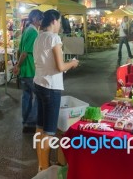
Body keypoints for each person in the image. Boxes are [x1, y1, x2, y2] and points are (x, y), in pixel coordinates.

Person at [33, 9, 79, 171]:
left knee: (40, 127)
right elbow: (60, 66)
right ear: (54, 21)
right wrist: (73, 63)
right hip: (51, 87)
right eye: (59, 22)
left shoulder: (38, 38)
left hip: (38, 84)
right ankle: (45, 168)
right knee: (50, 131)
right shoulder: (54, 38)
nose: (60, 25)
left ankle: (41, 165)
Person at [13, 10, 44, 134]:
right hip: (30, 69)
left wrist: (18, 65)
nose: (42, 21)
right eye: (41, 19)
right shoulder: (32, 32)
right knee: (40, 96)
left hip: (25, 69)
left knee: (27, 96)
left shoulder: (26, 30)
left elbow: (20, 51)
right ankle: (30, 122)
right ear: (36, 19)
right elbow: (25, 52)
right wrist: (18, 65)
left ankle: (26, 121)